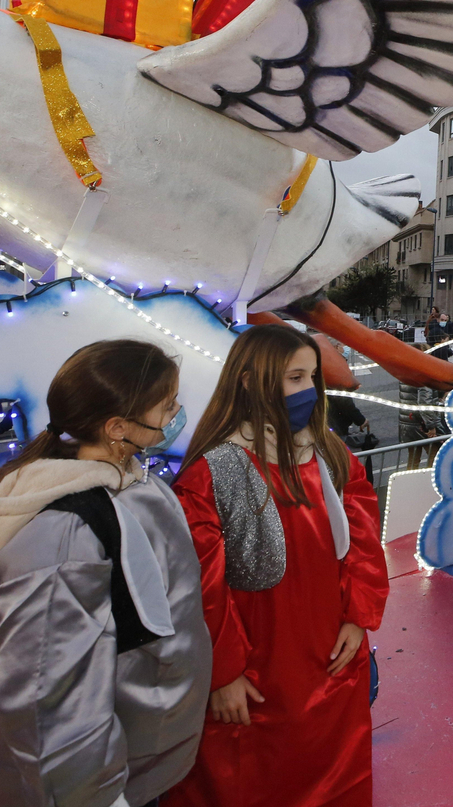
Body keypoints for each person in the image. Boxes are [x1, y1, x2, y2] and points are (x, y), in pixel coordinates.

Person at [0, 340, 212, 807]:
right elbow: (46, 695)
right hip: (95, 784)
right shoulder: (66, 533)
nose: (177, 413)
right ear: (118, 427)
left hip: (137, 758)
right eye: (167, 404)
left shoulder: (130, 479)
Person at [169, 324, 389, 807]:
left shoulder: (329, 453)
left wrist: (359, 615)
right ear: (251, 380)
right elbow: (198, 587)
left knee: (336, 778)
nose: (308, 389)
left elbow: (364, 542)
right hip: (257, 675)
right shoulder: (214, 471)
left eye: (311, 376)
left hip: (331, 659)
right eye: (294, 377)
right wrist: (223, 674)